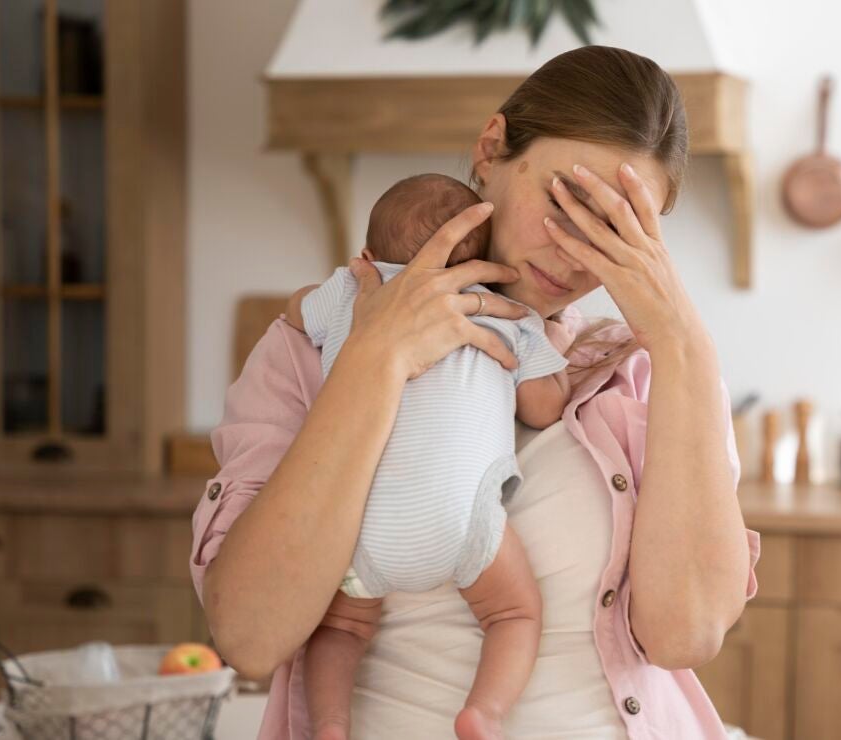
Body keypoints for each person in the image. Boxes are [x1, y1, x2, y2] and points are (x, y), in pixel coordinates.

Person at [190, 44, 761, 739]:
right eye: (565, 200)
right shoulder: (312, 352)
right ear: (491, 149)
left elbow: (685, 634)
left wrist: (682, 341)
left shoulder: (647, 373)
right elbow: (251, 636)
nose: (573, 251)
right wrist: (374, 361)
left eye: (616, 229)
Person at [285, 172, 575, 740]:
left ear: (368, 255)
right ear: (483, 263)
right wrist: (552, 349)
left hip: (358, 522)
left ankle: (330, 725)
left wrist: (341, 284)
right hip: (460, 519)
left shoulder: (353, 293)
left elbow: (295, 313)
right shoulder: (503, 313)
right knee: (513, 615)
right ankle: (484, 713)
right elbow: (544, 409)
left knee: (341, 629)